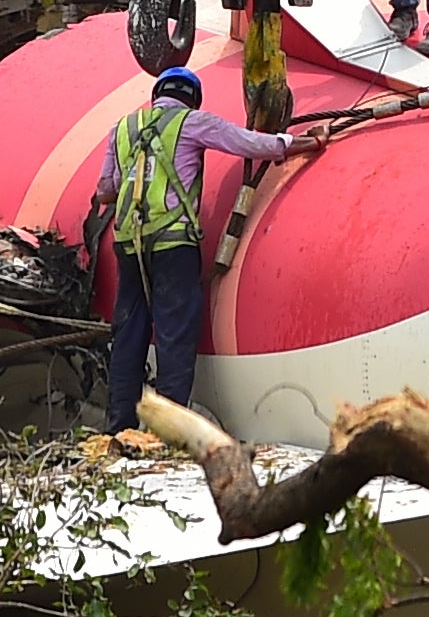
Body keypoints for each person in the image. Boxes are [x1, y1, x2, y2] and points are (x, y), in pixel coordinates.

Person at [92, 66, 324, 433]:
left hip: (128, 244)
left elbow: (105, 190)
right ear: (192, 97)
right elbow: (249, 143)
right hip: (173, 244)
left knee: (129, 334)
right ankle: (167, 432)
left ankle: (118, 427)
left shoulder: (123, 128)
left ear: (157, 94)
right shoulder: (191, 122)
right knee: (174, 334)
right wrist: (302, 143)